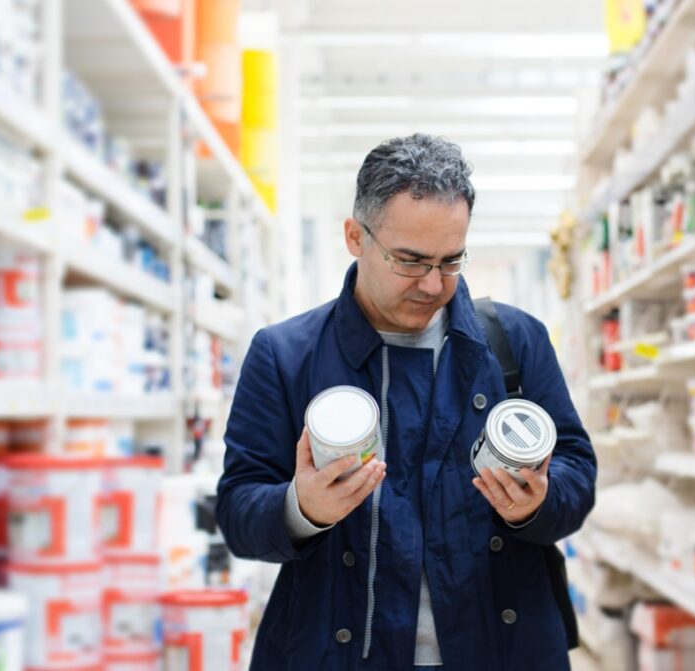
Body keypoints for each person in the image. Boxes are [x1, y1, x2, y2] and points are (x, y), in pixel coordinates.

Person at [216, 133, 596, 670]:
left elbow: (578, 474)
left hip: (503, 649)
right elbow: (237, 511)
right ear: (355, 236)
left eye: (451, 260)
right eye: (411, 261)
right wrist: (300, 509)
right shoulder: (285, 355)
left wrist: (537, 503)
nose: (433, 284)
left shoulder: (515, 342)